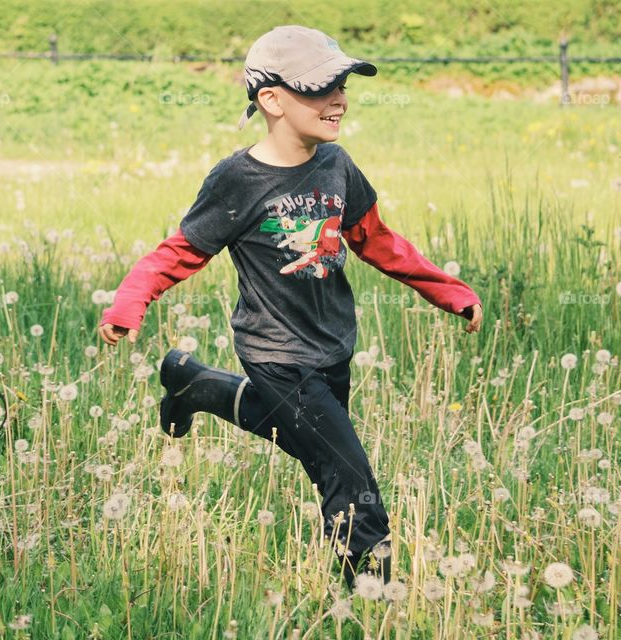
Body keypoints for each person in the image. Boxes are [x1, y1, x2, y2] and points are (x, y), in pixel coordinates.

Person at [98, 25, 483, 590]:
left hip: (332, 348)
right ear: (271, 99)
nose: (338, 99)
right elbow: (179, 251)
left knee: (306, 447)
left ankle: (197, 384)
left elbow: (376, 239)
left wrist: (449, 291)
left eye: (342, 85)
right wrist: (129, 303)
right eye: (319, 87)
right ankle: (368, 605)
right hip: (276, 356)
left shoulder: (337, 165)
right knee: (350, 483)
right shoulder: (238, 180)